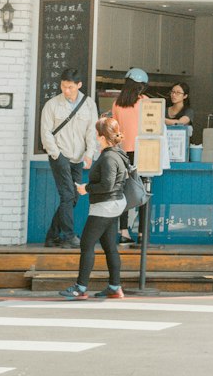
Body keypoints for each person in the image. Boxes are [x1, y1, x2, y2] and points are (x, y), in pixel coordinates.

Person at [59, 115, 129, 300]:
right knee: (109, 246)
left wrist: (85, 189)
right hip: (115, 205)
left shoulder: (108, 158)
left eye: (97, 134)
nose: (95, 138)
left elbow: (107, 184)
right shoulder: (119, 154)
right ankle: (114, 287)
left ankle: (80, 289)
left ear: (102, 136)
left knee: (87, 244)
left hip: (104, 206)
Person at [40, 68, 98, 249]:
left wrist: (89, 154)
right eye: (63, 87)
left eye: (70, 87)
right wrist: (57, 154)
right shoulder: (52, 105)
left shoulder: (89, 104)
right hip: (60, 155)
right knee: (67, 195)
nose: (66, 91)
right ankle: (68, 236)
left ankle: (52, 236)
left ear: (79, 85)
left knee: (74, 197)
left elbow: (92, 131)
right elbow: (46, 132)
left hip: (79, 157)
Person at [112, 68, 148, 244]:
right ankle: (142, 234)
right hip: (144, 151)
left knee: (124, 191)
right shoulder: (145, 102)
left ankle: (124, 232)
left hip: (123, 153)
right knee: (143, 191)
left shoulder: (117, 104)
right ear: (140, 87)